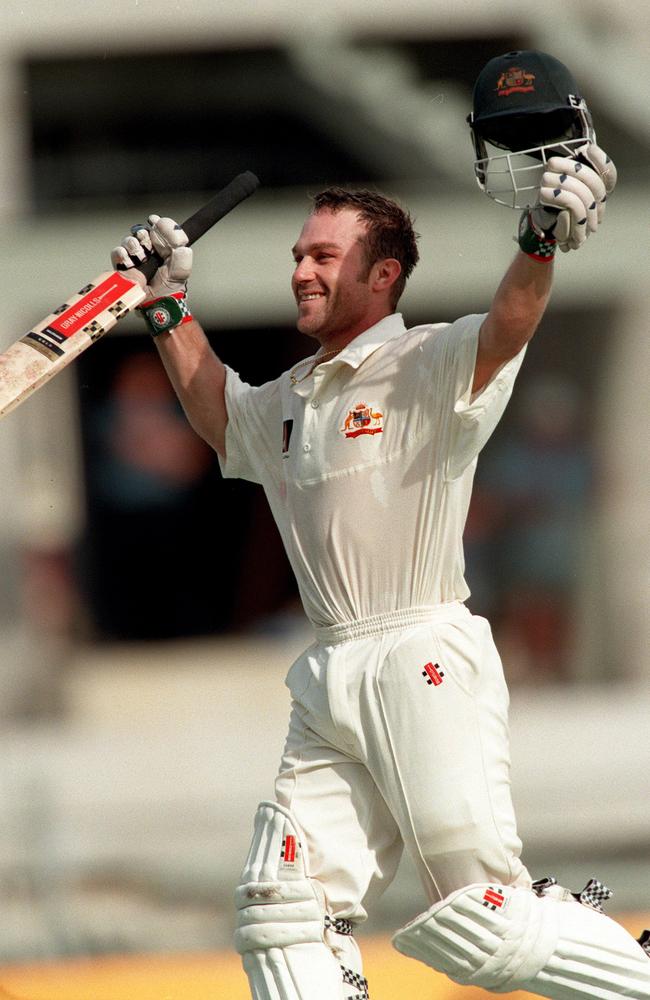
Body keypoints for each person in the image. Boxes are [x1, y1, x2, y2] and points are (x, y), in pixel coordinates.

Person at [111, 145, 648, 998]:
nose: (301, 272)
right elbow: (219, 414)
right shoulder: (288, 397)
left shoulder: (431, 363)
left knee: (479, 914)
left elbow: (511, 320)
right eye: (298, 256)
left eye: (323, 256)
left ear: (382, 274)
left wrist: (541, 239)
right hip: (329, 671)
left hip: (420, 656)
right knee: (280, 907)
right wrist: (167, 305)